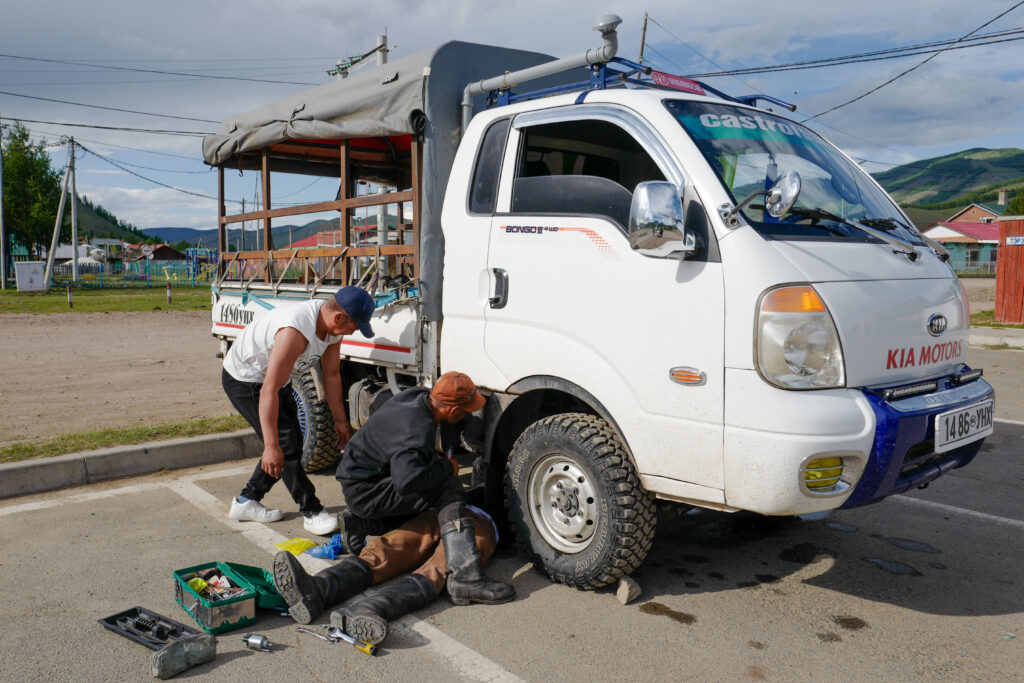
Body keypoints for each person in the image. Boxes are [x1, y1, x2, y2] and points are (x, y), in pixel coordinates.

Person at [271, 371, 514, 642]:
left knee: (386, 553)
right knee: (440, 522)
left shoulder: (418, 398)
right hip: (448, 515)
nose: (468, 415)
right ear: (452, 409)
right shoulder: (416, 429)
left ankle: (321, 588)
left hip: (442, 517)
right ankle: (460, 580)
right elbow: (408, 481)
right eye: (465, 411)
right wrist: (446, 467)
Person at [222, 286, 375, 536]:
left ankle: (247, 501)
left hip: (275, 381)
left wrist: (340, 422)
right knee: (284, 447)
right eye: (354, 327)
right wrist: (271, 445)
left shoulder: (332, 330)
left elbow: (332, 375)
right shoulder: (295, 331)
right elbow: (267, 390)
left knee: (288, 443)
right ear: (339, 318)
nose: (353, 331)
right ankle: (311, 510)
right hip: (246, 380)